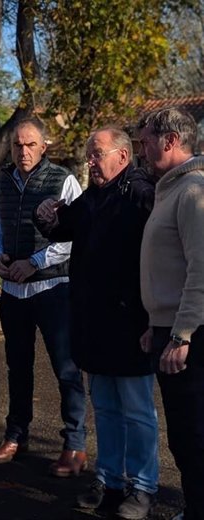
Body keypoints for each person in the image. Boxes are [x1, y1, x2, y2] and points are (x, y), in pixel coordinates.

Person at [35, 127, 158, 519]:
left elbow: (163, 257)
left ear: (122, 157)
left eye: (97, 154)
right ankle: (110, 480)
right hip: (93, 322)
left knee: (138, 410)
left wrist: (154, 319)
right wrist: (46, 219)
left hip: (133, 322)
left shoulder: (143, 194)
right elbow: (62, 226)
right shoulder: (93, 196)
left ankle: (142, 487)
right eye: (89, 154)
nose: (90, 161)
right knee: (104, 407)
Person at [0, 118, 88, 476]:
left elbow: (76, 236)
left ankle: (75, 443)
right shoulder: (4, 181)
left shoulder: (63, 180)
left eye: (30, 145)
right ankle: (16, 435)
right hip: (14, 291)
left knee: (66, 368)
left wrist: (35, 262)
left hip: (53, 289)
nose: (22, 151)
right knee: (18, 367)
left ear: (44, 146)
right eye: (17, 145)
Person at [137, 106, 204, 520]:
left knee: (194, 433)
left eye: (145, 141)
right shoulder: (170, 189)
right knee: (182, 434)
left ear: (171, 140)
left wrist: (181, 335)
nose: (142, 149)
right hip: (167, 328)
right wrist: (155, 324)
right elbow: (169, 268)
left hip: (190, 337)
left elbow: (201, 269)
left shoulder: (193, 191)